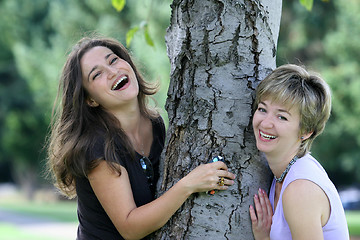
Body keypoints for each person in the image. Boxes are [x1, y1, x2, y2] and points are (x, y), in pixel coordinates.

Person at [47, 36, 236, 240]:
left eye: (113, 60)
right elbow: (130, 227)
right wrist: (189, 184)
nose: (113, 72)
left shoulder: (155, 125)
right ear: (90, 99)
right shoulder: (95, 147)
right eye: (97, 74)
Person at [248, 64, 349, 239]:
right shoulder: (282, 173)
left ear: (306, 131)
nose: (265, 123)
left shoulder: (300, 189)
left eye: (282, 117)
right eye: (262, 109)